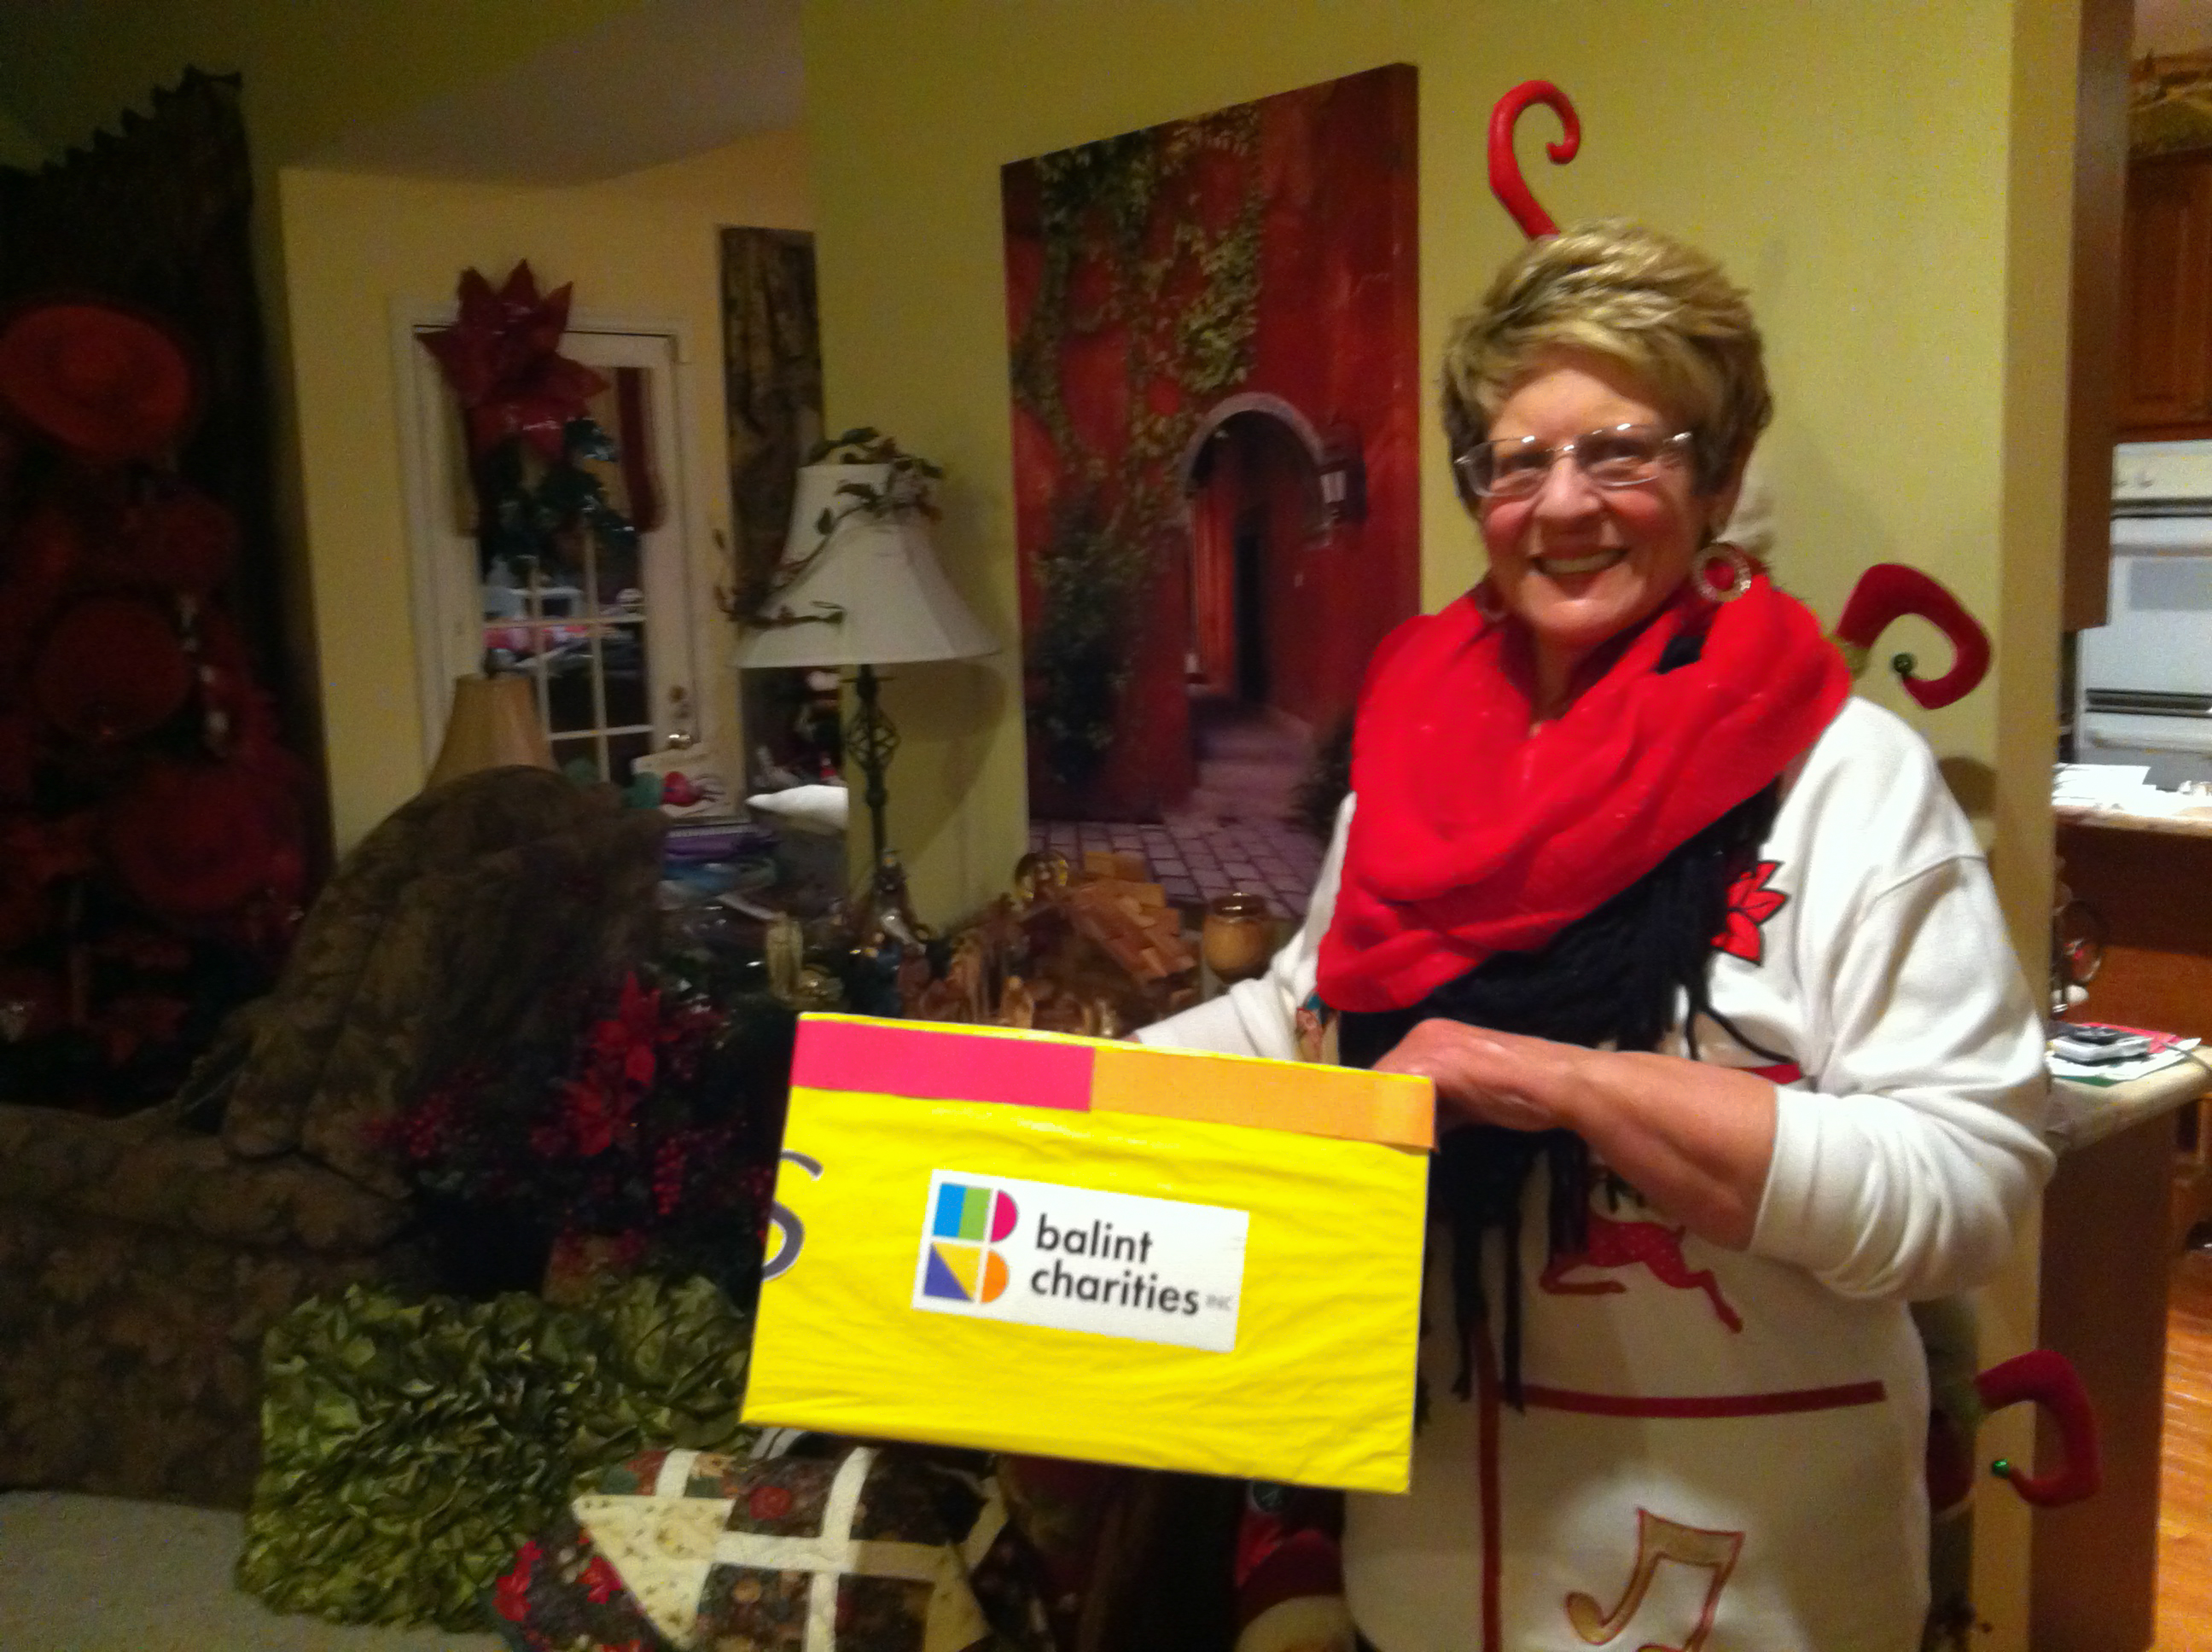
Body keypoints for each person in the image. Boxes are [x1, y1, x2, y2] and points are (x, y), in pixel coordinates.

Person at [1137, 219, 2050, 1651]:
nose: (1562, 505)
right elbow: (1307, 1016)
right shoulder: (1412, 753)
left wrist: (1563, 1082)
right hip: (1430, 1559)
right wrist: (1008, 1106)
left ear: (1718, 478)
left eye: (1621, 451)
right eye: (1517, 462)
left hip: (1740, 1582)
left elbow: (1972, 1176)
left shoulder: (1845, 777)